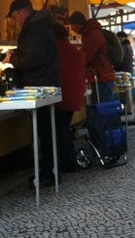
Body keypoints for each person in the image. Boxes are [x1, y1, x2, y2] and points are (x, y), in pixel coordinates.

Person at [2, 0, 60, 187]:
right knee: (45, 131)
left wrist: (13, 60)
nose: (15, 21)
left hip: (39, 87)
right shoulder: (39, 26)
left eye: (14, 16)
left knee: (44, 131)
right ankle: (47, 171)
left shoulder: (36, 29)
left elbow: (33, 60)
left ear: (21, 12)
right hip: (42, 85)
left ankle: (47, 173)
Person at [52, 22, 86, 173]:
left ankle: (70, 162)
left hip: (61, 96)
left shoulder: (55, 50)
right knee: (63, 128)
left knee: (60, 130)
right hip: (74, 95)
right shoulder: (75, 51)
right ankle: (69, 160)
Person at [68, 11, 117, 102]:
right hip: (102, 77)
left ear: (78, 24)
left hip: (102, 77)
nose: (72, 29)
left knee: (103, 109)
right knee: (103, 107)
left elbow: (86, 57)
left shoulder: (92, 34)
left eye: (72, 26)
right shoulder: (90, 33)